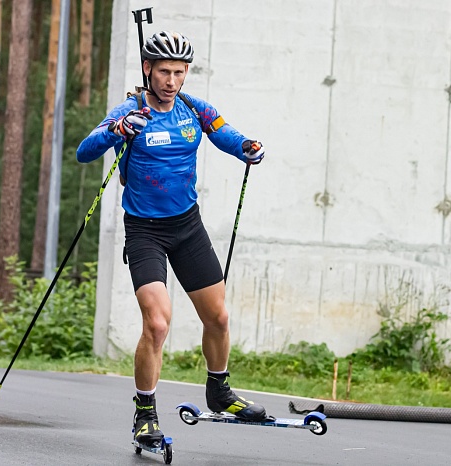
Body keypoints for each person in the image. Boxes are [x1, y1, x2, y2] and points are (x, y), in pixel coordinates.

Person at [76, 31, 267, 447]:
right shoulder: (130, 110)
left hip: (187, 227)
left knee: (218, 318)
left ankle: (219, 391)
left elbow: (226, 134)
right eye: (164, 71)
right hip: (145, 230)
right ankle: (145, 413)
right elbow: (84, 151)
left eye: (180, 72)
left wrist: (247, 147)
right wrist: (118, 130)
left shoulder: (192, 108)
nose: (172, 80)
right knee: (158, 323)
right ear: (148, 69)